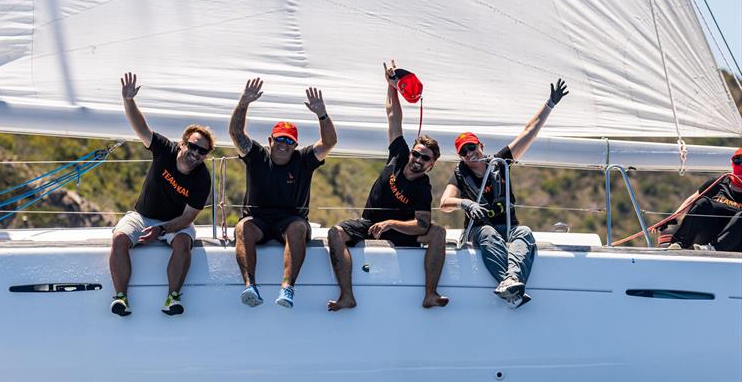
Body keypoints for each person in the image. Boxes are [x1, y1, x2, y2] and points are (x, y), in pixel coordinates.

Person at [327, 61, 448, 311]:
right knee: (334, 233)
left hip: (399, 231)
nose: (418, 160)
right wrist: (391, 86)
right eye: (417, 154)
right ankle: (346, 295)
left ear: (431, 165)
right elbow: (393, 116)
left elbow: (422, 224)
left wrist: (392, 223)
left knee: (438, 233)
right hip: (369, 224)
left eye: (425, 158)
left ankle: (431, 294)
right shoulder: (399, 155)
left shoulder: (423, 188)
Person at [439, 79, 569, 308]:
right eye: (464, 152)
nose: (470, 154)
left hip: (509, 227)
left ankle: (511, 283)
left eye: (472, 147)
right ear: (461, 157)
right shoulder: (459, 175)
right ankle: (512, 283)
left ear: (481, 145)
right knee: (488, 231)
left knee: (525, 232)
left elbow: (528, 132)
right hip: (479, 231)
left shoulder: (500, 163)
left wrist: (550, 104)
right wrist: (465, 204)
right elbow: (445, 203)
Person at [109, 73, 213, 316]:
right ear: (182, 144)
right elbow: (141, 128)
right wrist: (128, 100)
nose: (196, 154)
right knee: (119, 238)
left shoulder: (203, 178)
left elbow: (188, 218)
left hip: (175, 222)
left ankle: (173, 298)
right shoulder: (164, 149)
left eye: (202, 151)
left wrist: (163, 229)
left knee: (183, 243)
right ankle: (121, 298)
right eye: (193, 146)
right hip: (142, 215)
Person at [229, 78, 337, 308]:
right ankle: (250, 286)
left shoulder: (304, 159)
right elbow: (236, 133)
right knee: (242, 227)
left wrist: (322, 114)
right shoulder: (257, 155)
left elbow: (329, 142)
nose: (284, 144)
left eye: (289, 141)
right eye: (280, 139)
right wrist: (245, 101)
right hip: (258, 220)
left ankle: (287, 289)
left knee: (298, 227)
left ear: (295, 145)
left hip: (290, 220)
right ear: (270, 140)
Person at [667, 147, 742, 252]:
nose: (741, 165)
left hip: (737, 243)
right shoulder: (719, 182)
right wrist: (672, 219)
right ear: (732, 162)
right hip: (710, 236)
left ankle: (715, 248)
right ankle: (679, 243)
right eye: (738, 160)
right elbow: (693, 199)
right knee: (703, 202)